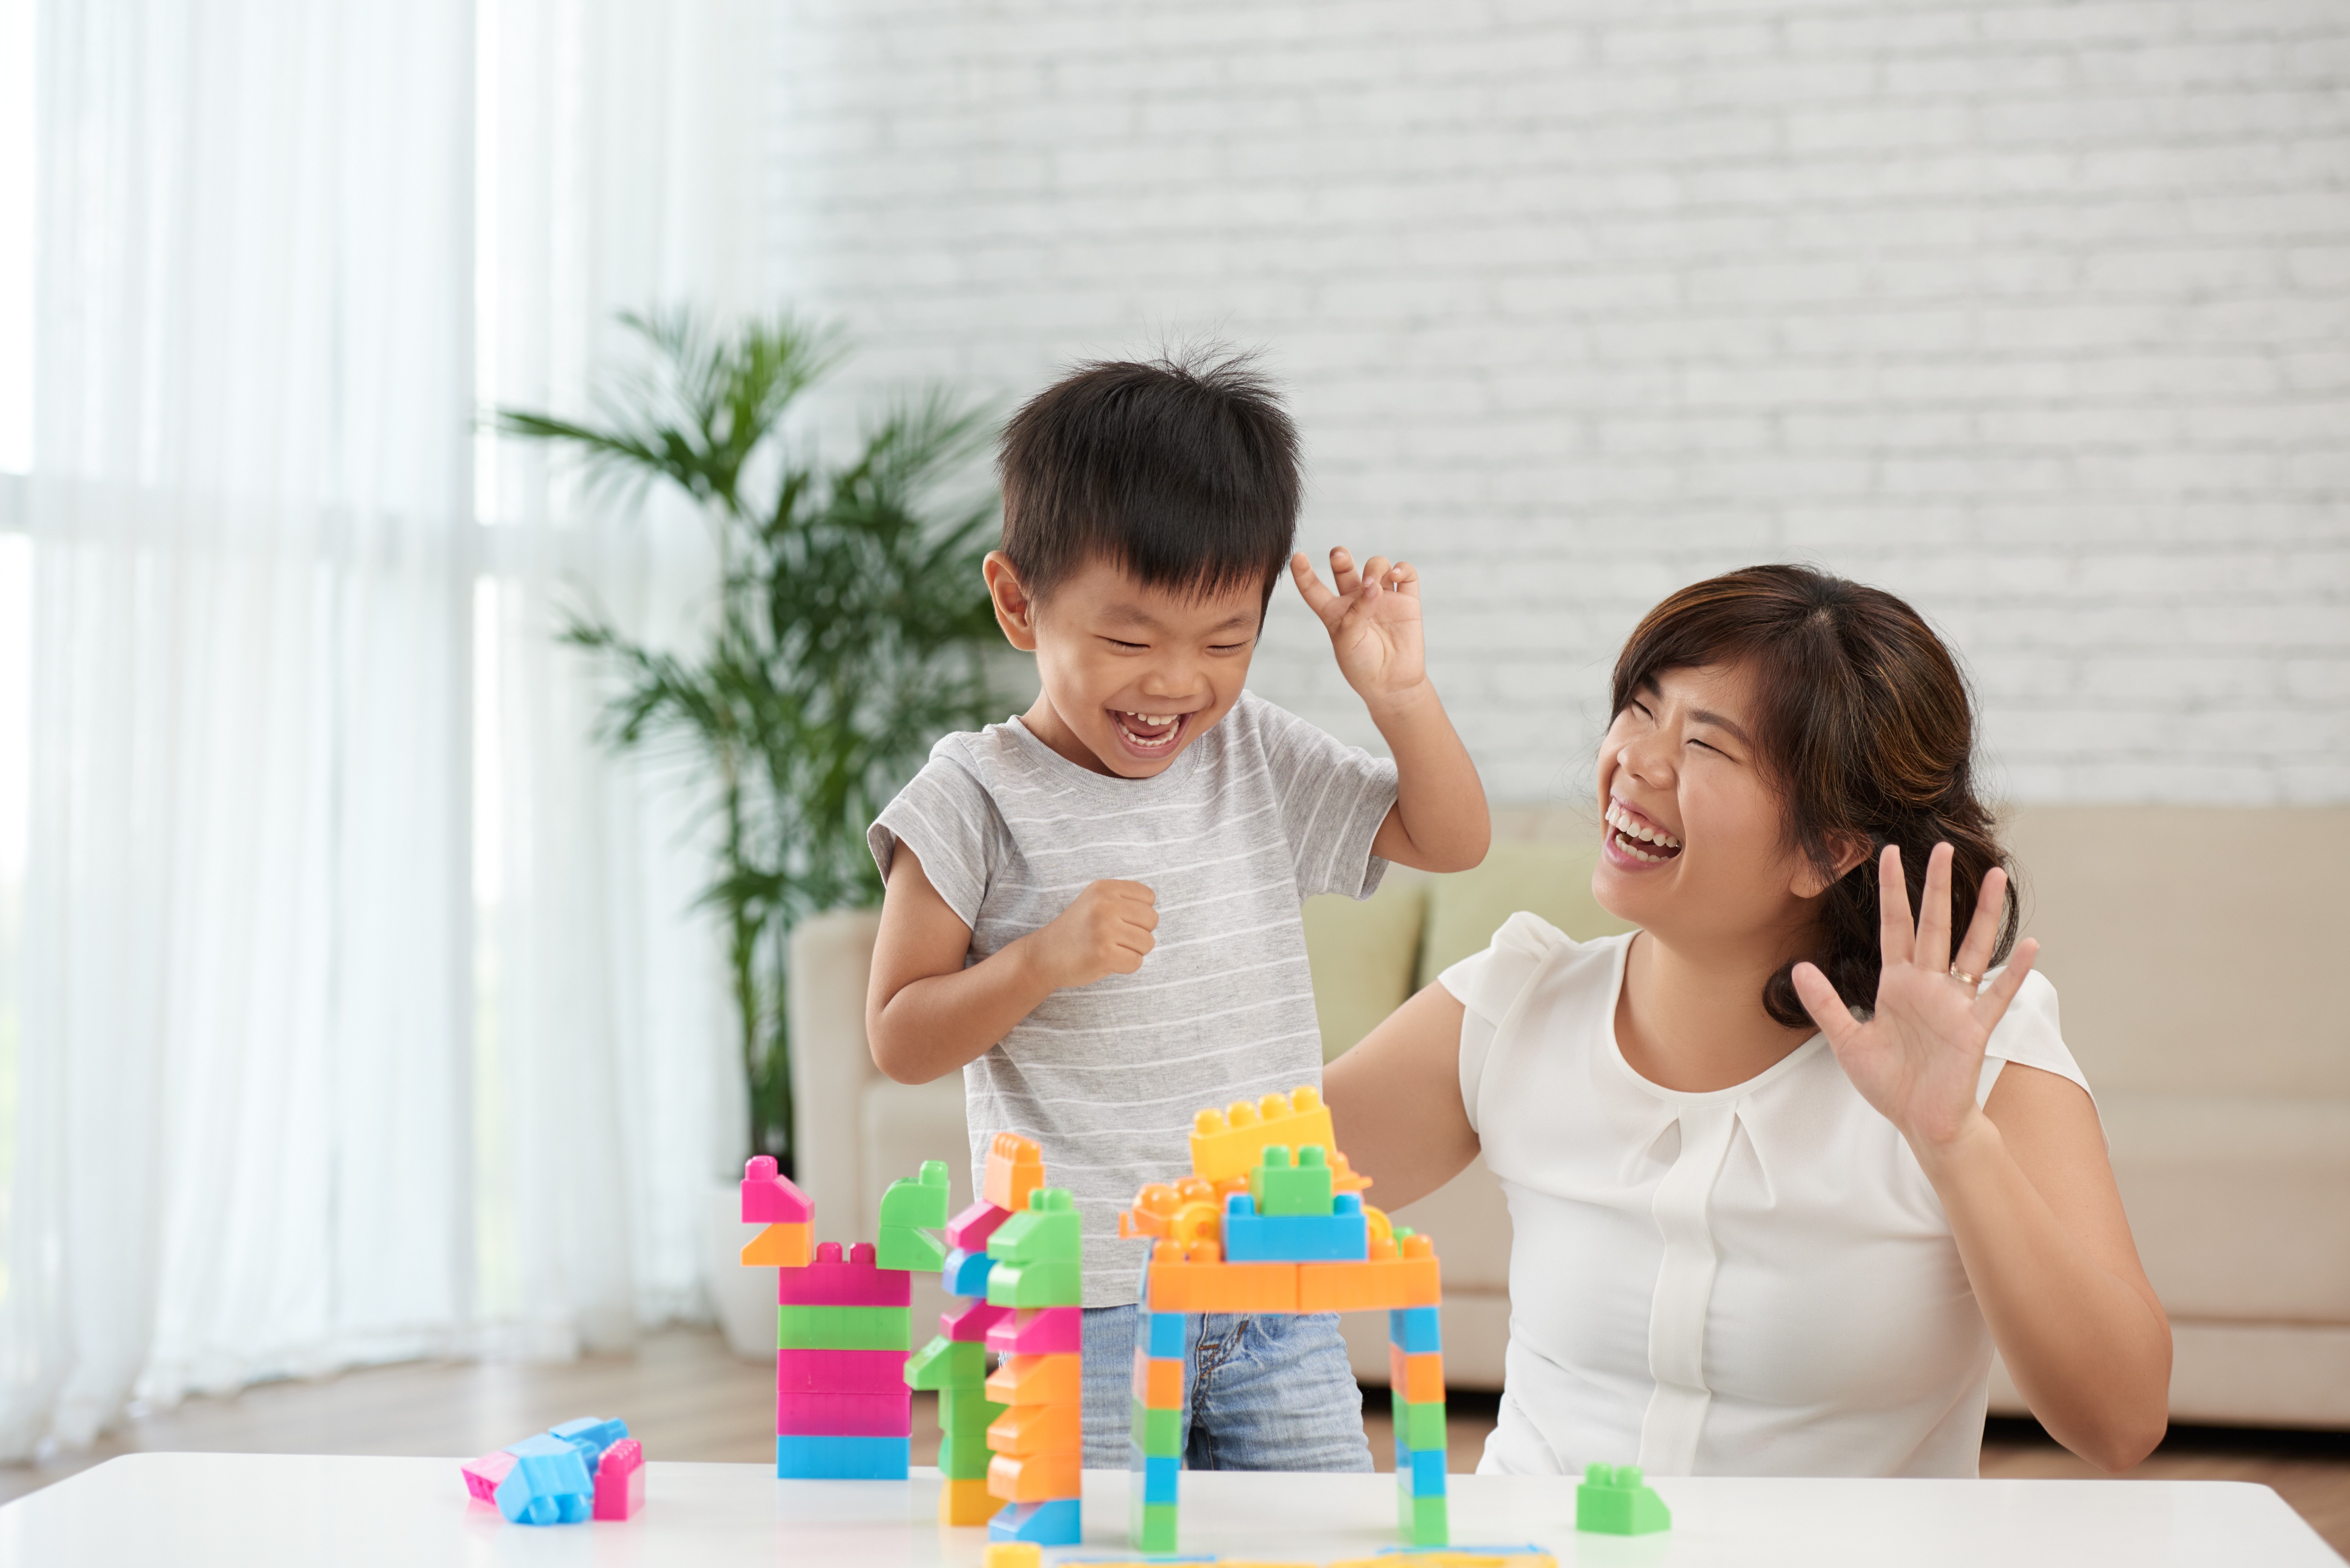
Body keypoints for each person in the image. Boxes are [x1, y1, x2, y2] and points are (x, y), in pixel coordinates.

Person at [1324, 565, 2172, 1479]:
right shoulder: (1515, 1006)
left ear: (1828, 850)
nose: (1636, 761)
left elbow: (2120, 1422)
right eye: (1640, 709)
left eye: (1707, 745)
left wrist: (1954, 1143)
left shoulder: (1976, 1057)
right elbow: (1202, 1195)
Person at [863, 352, 1491, 1472]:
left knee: (1312, 1551)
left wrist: (1397, 694)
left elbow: (1451, 840)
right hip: (1078, 1308)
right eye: (1128, 639)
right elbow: (900, 1035)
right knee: (1088, 1545)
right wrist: (1038, 962)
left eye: (1223, 641)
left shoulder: (1251, 756)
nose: (1174, 685)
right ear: (1018, 603)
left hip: (1268, 1288)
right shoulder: (971, 795)